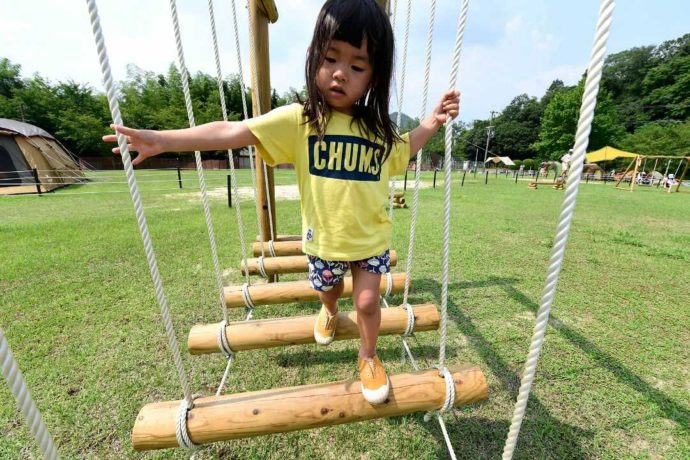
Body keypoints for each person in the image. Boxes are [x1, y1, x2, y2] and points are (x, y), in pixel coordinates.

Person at [103, 0, 459, 405]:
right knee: (330, 291)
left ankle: (369, 355)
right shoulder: (301, 121)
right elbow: (234, 131)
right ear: (314, 59)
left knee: (366, 301)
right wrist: (166, 140)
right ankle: (328, 311)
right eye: (330, 58)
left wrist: (432, 120)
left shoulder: (377, 130)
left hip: (371, 241)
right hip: (323, 242)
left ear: (374, 77)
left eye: (357, 66)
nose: (341, 72)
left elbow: (406, 149)